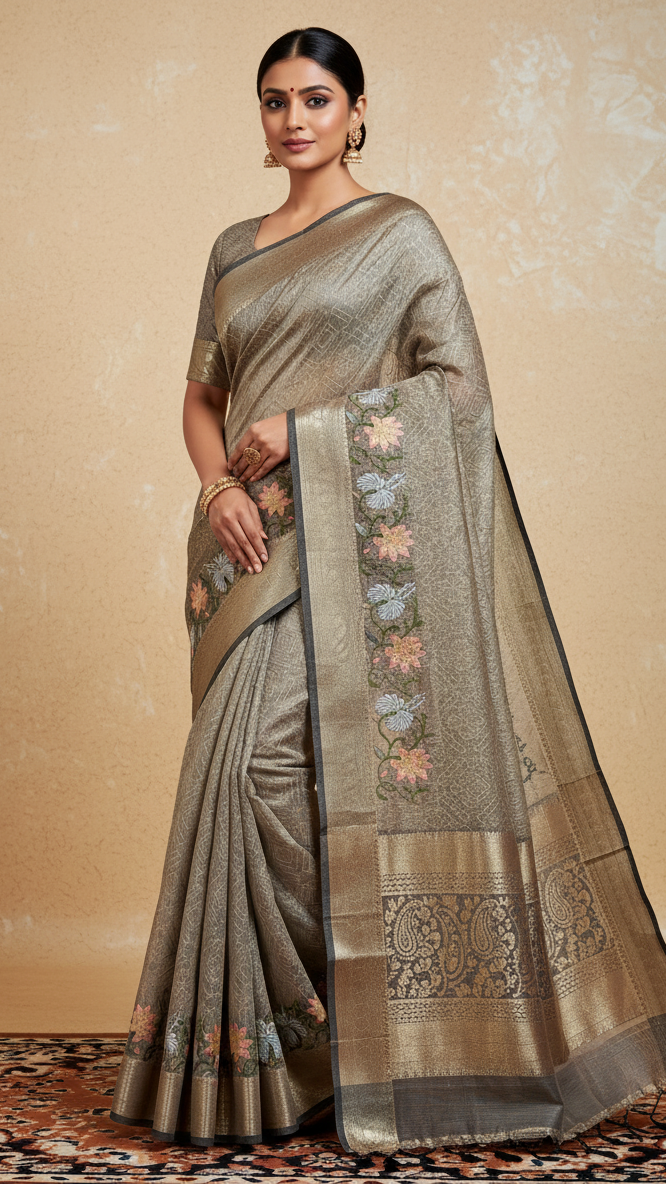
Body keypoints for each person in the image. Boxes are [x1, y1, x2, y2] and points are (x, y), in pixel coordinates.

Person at [110, 26, 666, 1155]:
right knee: (239, 776)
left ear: (357, 111)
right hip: (247, 551)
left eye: (316, 98)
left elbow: (457, 396)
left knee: (292, 774)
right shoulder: (232, 249)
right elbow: (200, 398)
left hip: (364, 549)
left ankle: (368, 1034)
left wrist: (303, 431)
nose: (294, 119)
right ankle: (296, 1058)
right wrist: (218, 482)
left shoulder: (401, 234)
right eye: (275, 100)